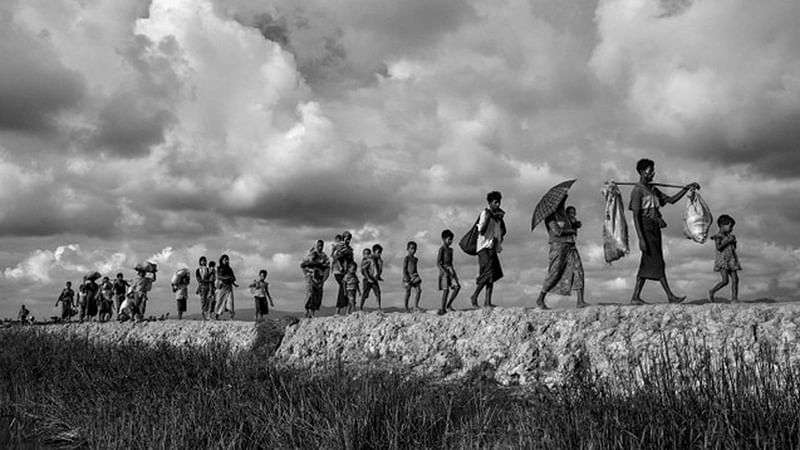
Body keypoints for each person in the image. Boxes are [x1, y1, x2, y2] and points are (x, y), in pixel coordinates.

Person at [629, 158, 699, 305]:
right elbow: (635, 216)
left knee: (647, 262)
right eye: (650, 171)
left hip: (655, 229)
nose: (653, 173)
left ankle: (635, 296)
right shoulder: (637, 191)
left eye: (653, 170)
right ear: (642, 172)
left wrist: (686, 188)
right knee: (657, 261)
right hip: (646, 228)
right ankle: (670, 295)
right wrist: (641, 239)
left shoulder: (653, 190)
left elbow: (671, 200)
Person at [535, 201, 587, 309]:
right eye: (562, 201)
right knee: (554, 273)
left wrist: (575, 225)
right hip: (558, 246)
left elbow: (570, 226)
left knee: (578, 270)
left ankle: (580, 300)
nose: (563, 203)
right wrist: (571, 230)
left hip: (570, 246)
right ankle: (540, 298)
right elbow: (557, 231)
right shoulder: (550, 216)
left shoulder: (564, 214)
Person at [469, 191, 506, 308]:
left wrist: (500, 220)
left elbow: (503, 231)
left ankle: (487, 301)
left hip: (492, 247)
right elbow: (482, 231)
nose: (498, 204)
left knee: (492, 275)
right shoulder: (485, 213)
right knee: (488, 272)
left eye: (499, 202)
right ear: (490, 203)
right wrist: (489, 218)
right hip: (483, 247)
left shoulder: (497, 216)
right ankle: (474, 296)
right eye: (495, 202)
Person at [708, 214, 741, 303]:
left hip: (731, 260)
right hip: (723, 260)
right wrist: (728, 241)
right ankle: (712, 291)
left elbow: (734, 247)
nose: (731, 229)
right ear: (722, 225)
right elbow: (718, 247)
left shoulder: (730, 236)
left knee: (735, 279)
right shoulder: (718, 236)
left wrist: (733, 242)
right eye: (730, 226)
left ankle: (734, 299)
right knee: (725, 280)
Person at [301, 240, 330, 318]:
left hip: (319, 277)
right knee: (310, 293)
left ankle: (312, 312)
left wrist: (324, 278)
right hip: (310, 276)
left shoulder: (324, 256)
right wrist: (308, 272)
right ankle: (306, 310)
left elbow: (327, 267)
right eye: (318, 245)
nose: (320, 247)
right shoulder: (310, 254)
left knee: (317, 295)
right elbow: (303, 264)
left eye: (321, 246)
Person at [437, 230, 461, 314]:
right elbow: (438, 262)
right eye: (449, 239)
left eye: (451, 239)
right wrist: (444, 271)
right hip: (444, 270)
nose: (450, 241)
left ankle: (449, 304)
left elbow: (451, 262)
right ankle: (443, 309)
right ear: (443, 239)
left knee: (457, 287)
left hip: (451, 269)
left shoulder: (451, 250)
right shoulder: (442, 249)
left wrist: (452, 271)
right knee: (446, 290)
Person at [332, 231, 354, 314]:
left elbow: (351, 260)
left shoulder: (350, 249)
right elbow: (336, 257)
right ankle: (338, 310)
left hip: (347, 271)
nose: (348, 241)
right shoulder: (340, 247)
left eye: (349, 239)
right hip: (339, 271)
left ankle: (347, 310)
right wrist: (340, 266)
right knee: (343, 286)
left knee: (349, 288)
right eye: (347, 239)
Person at [214, 254, 237, 320]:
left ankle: (231, 316)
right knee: (219, 301)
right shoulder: (219, 268)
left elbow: (233, 278)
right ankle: (217, 315)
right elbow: (219, 276)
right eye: (225, 259)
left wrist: (230, 279)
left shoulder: (230, 269)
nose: (226, 261)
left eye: (227, 259)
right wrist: (228, 278)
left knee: (230, 301)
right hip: (222, 287)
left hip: (229, 287)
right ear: (222, 260)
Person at [403, 241, 422, 311]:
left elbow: (415, 269)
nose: (413, 250)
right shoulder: (406, 258)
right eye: (411, 249)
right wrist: (407, 279)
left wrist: (418, 276)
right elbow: (404, 269)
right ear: (407, 249)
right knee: (408, 292)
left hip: (414, 276)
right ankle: (406, 307)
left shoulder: (416, 259)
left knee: (419, 290)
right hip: (407, 277)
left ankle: (416, 306)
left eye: (414, 249)